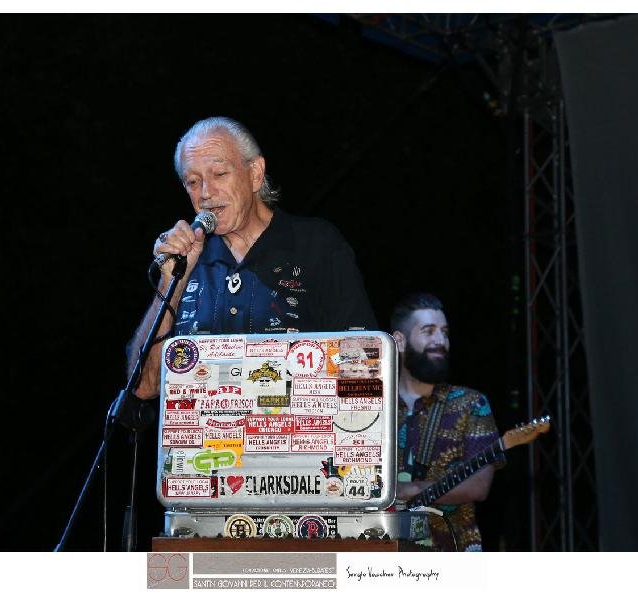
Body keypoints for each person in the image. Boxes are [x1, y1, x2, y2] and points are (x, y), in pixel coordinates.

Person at [128, 116, 377, 399]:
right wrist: (171, 281)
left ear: (255, 173)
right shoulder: (186, 260)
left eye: (219, 174)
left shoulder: (316, 244)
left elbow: (363, 367)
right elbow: (144, 387)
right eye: (193, 182)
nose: (206, 193)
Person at [391, 292, 501, 552]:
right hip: (379, 553)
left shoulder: (470, 403)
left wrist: (413, 488)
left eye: (445, 333)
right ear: (400, 341)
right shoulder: (374, 405)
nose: (441, 341)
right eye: (429, 331)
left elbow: (479, 485)